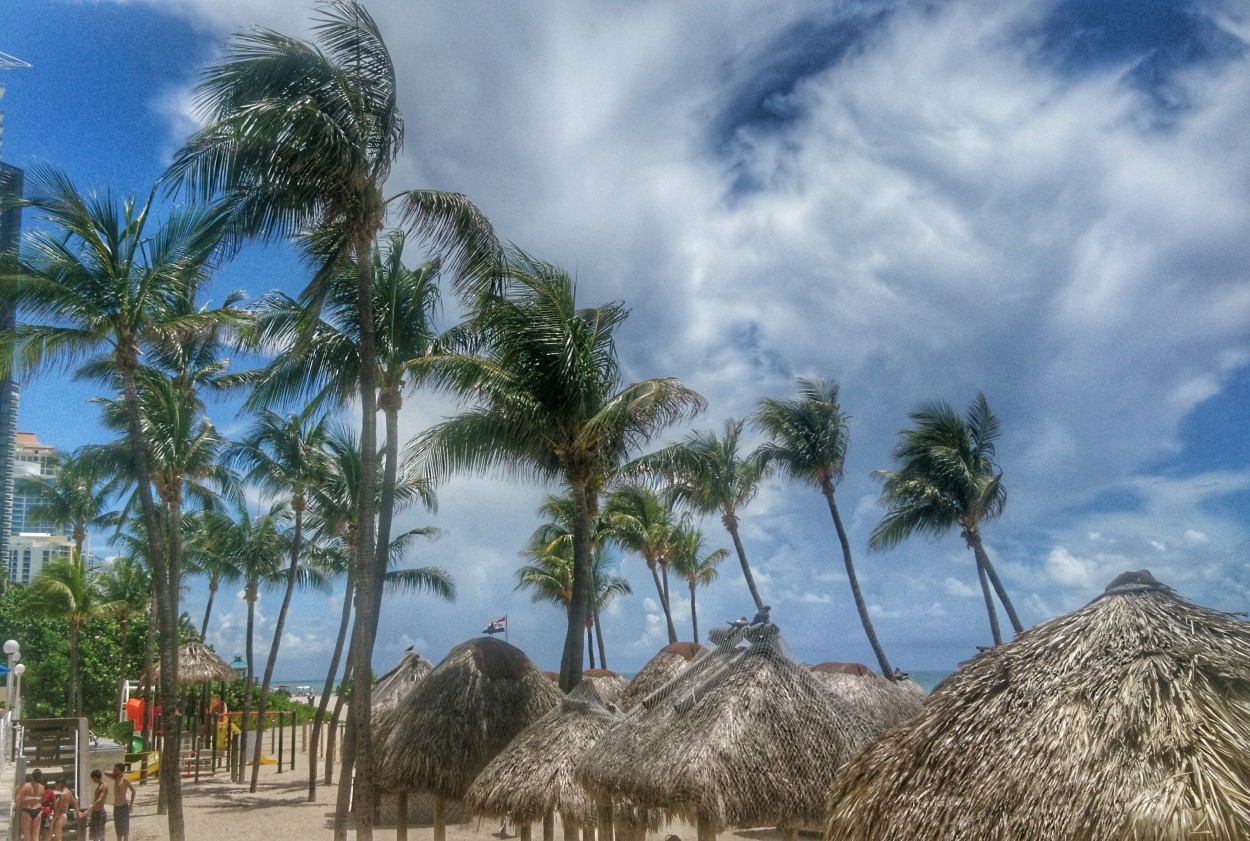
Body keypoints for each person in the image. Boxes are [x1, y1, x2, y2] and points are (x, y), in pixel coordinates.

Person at [13, 768, 46, 841]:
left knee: (27, 837)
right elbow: (43, 800)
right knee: (35, 838)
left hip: (27, 810)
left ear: (32, 777)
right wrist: (35, 799)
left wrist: (17, 791)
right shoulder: (42, 787)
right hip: (38, 811)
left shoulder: (26, 786)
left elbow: (17, 800)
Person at [105, 764, 135, 841]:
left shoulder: (125, 780)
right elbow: (105, 772)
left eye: (116, 769)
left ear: (121, 770)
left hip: (123, 806)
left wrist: (131, 805)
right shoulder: (115, 778)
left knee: (125, 830)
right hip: (116, 807)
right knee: (118, 829)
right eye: (114, 769)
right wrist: (114, 773)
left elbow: (133, 791)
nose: (114, 770)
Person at [84, 770, 107, 841]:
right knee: (95, 835)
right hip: (95, 812)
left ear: (96, 777)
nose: (93, 780)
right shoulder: (99, 786)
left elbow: (100, 799)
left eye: (93, 779)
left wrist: (90, 808)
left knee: (101, 834)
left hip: (99, 812)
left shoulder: (103, 787)